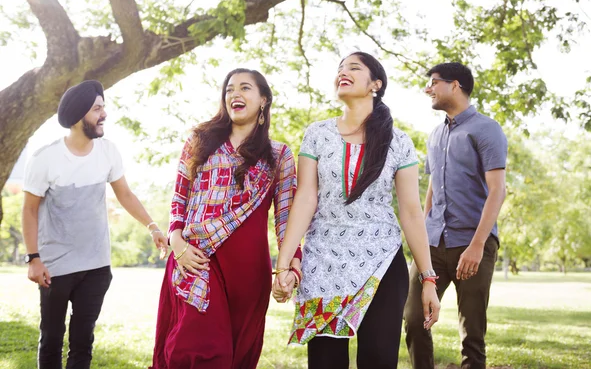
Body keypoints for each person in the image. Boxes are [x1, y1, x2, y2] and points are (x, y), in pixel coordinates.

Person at [273, 52, 441, 369]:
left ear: (375, 84)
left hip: (381, 263)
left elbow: (411, 213)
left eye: (353, 68)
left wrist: (429, 279)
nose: (342, 73)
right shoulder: (317, 134)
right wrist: (283, 265)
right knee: (325, 363)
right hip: (323, 264)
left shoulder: (399, 141)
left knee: (378, 359)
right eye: (339, 69)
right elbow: (306, 198)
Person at [149, 68, 301, 369]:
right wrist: (177, 243)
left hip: (248, 275)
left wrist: (291, 266)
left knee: (236, 357)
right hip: (196, 259)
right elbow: (179, 199)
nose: (235, 94)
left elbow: (285, 219)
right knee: (197, 351)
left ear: (263, 101)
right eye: (230, 89)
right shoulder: (200, 140)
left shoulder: (278, 155)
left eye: (245, 88)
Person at [22, 80, 168, 369]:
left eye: (103, 107)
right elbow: (29, 209)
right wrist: (33, 258)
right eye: (97, 109)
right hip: (56, 267)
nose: (104, 114)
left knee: (83, 340)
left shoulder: (108, 151)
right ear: (78, 116)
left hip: (96, 267)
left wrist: (152, 226)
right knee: (51, 338)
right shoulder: (46, 158)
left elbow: (124, 194)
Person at [404, 62, 508, 369]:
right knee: (413, 319)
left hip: (472, 242)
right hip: (433, 244)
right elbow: (433, 187)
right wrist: (422, 234)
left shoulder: (487, 129)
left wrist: (477, 245)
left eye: (434, 82)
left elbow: (497, 190)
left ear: (456, 85)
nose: (428, 89)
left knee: (472, 332)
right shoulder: (434, 135)